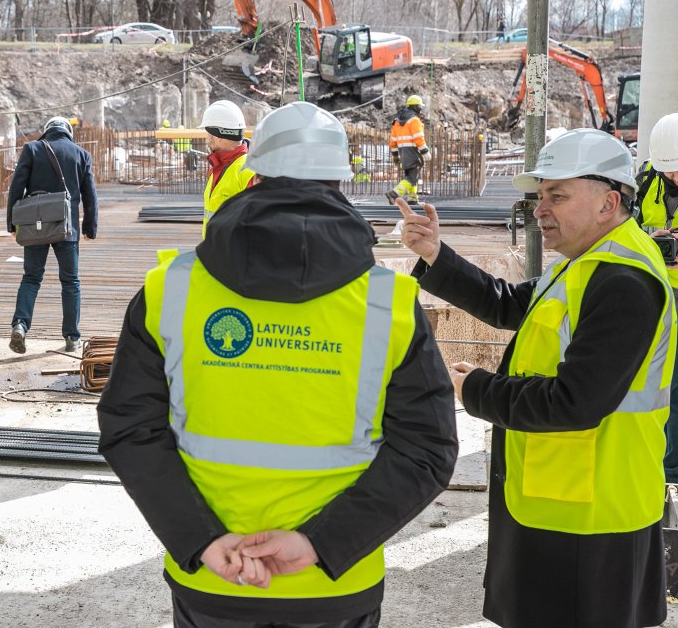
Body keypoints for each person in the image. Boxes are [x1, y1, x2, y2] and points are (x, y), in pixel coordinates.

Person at [98, 101, 458, 628]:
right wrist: (321, 544)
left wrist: (201, 539)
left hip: (214, 577)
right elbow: (427, 450)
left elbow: (130, 429)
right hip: (332, 583)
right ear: (341, 181)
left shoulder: (169, 290)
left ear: (255, 173)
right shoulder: (390, 304)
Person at [398, 127, 675, 628]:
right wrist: (436, 253)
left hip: (591, 517)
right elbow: (508, 304)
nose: (539, 209)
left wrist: (476, 389)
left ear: (608, 202)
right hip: (561, 500)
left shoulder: (623, 282)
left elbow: (574, 402)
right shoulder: (584, 265)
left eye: (557, 196)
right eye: (539, 196)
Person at [7, 116, 98, 354]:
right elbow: (90, 196)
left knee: (31, 278)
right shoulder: (81, 154)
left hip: (34, 225)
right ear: (68, 132)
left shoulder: (32, 149)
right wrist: (90, 227)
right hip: (66, 228)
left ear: (46, 131)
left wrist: (12, 223)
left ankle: (20, 324)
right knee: (70, 281)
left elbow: (17, 187)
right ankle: (71, 337)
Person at [643, 112, 678, 484]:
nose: (675, 178)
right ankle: (665, 465)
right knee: (663, 378)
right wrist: (649, 237)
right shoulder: (645, 182)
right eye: (671, 171)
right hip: (657, 292)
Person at [197, 99, 255, 238]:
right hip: (215, 252)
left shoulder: (250, 171)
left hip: (235, 256)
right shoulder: (218, 166)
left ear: (217, 136)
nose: (207, 138)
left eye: (208, 133)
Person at [386, 94, 430, 204]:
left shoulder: (397, 121)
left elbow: (393, 141)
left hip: (403, 153)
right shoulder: (414, 120)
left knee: (410, 175)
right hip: (413, 152)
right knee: (412, 178)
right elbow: (418, 138)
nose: (421, 109)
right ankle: (394, 194)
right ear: (415, 107)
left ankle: (412, 199)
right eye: (420, 107)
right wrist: (425, 151)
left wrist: (395, 156)